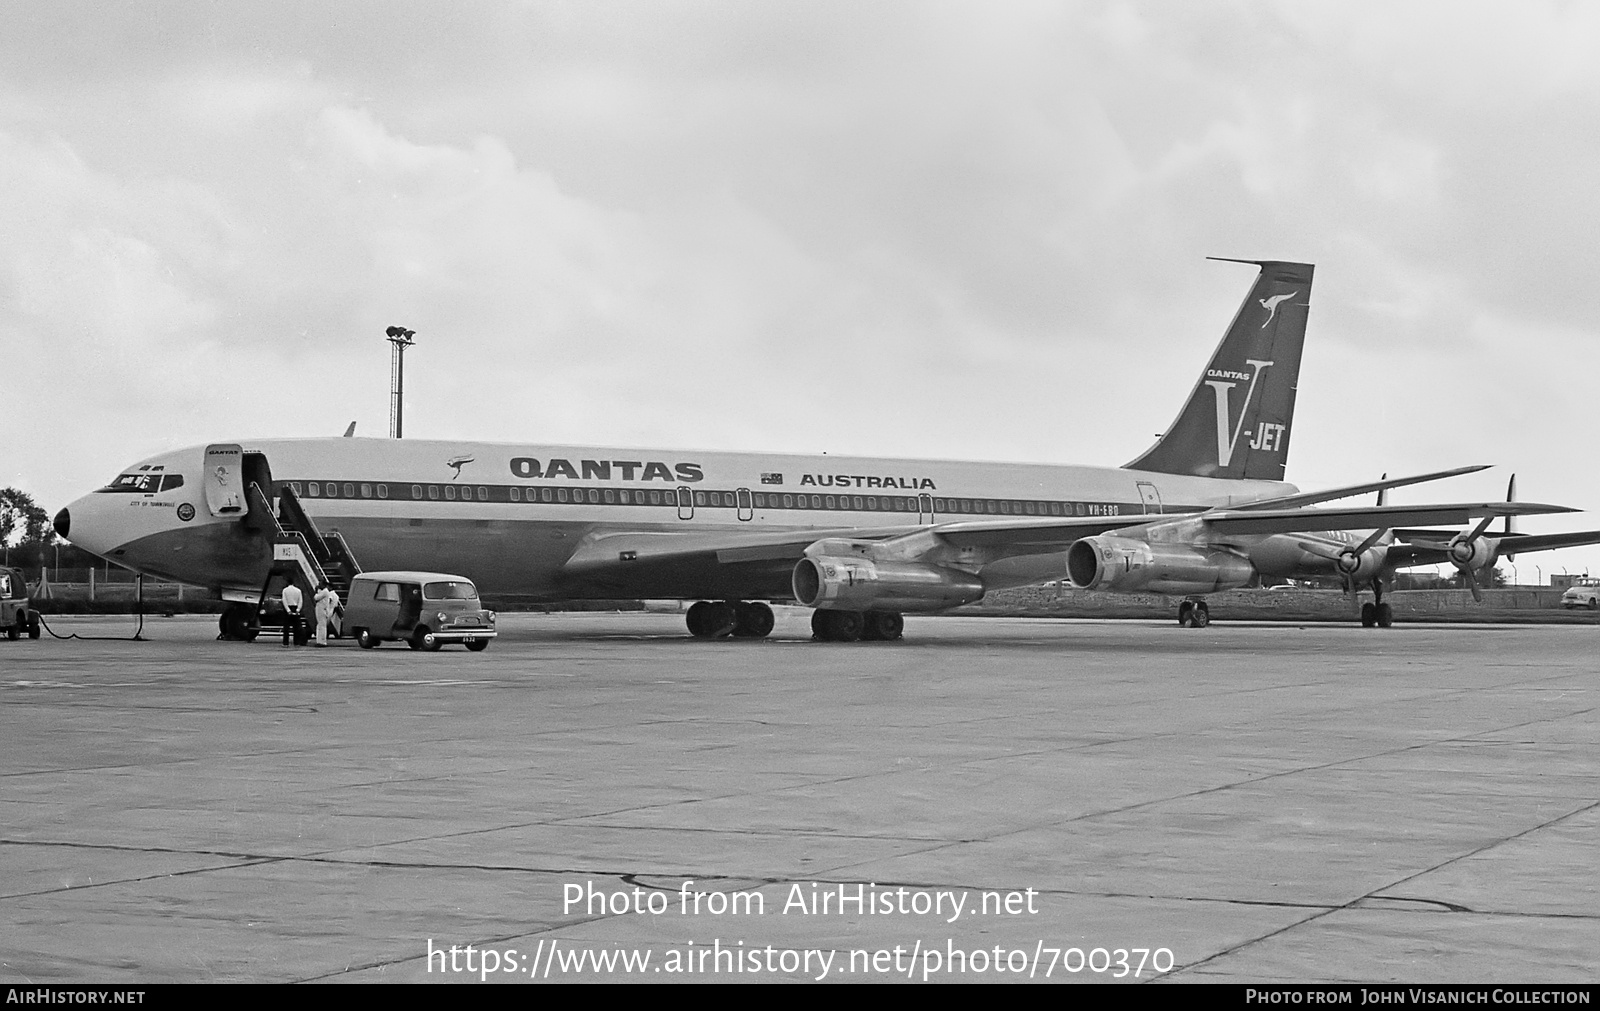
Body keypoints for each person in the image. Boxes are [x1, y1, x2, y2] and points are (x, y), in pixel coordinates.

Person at [313, 580, 340, 647]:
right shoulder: (325, 592)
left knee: (322, 625)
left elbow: (316, 597)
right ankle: (320, 640)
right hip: (324, 609)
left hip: (322, 609)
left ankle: (322, 641)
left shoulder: (325, 592)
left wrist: (317, 591)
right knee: (321, 625)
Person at [281, 577, 304, 647]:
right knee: (296, 627)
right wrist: (298, 610)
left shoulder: (285, 590)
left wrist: (288, 610)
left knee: (286, 627)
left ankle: (286, 643)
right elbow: (300, 601)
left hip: (288, 607)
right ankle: (296, 642)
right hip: (295, 607)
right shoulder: (298, 590)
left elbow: (284, 600)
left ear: (287, 583)